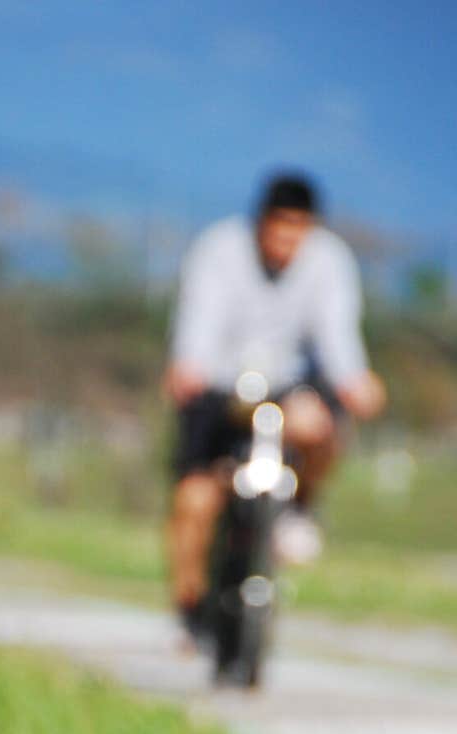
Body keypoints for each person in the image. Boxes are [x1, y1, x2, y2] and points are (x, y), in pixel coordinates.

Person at [163, 171, 386, 642]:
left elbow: (337, 333)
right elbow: (198, 319)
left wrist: (355, 380)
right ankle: (189, 606)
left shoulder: (329, 260)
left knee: (319, 425)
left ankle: (300, 506)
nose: (287, 240)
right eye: (279, 227)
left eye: (298, 229)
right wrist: (188, 364)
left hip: (288, 388)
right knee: (194, 499)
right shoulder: (219, 249)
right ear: (261, 222)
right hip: (221, 386)